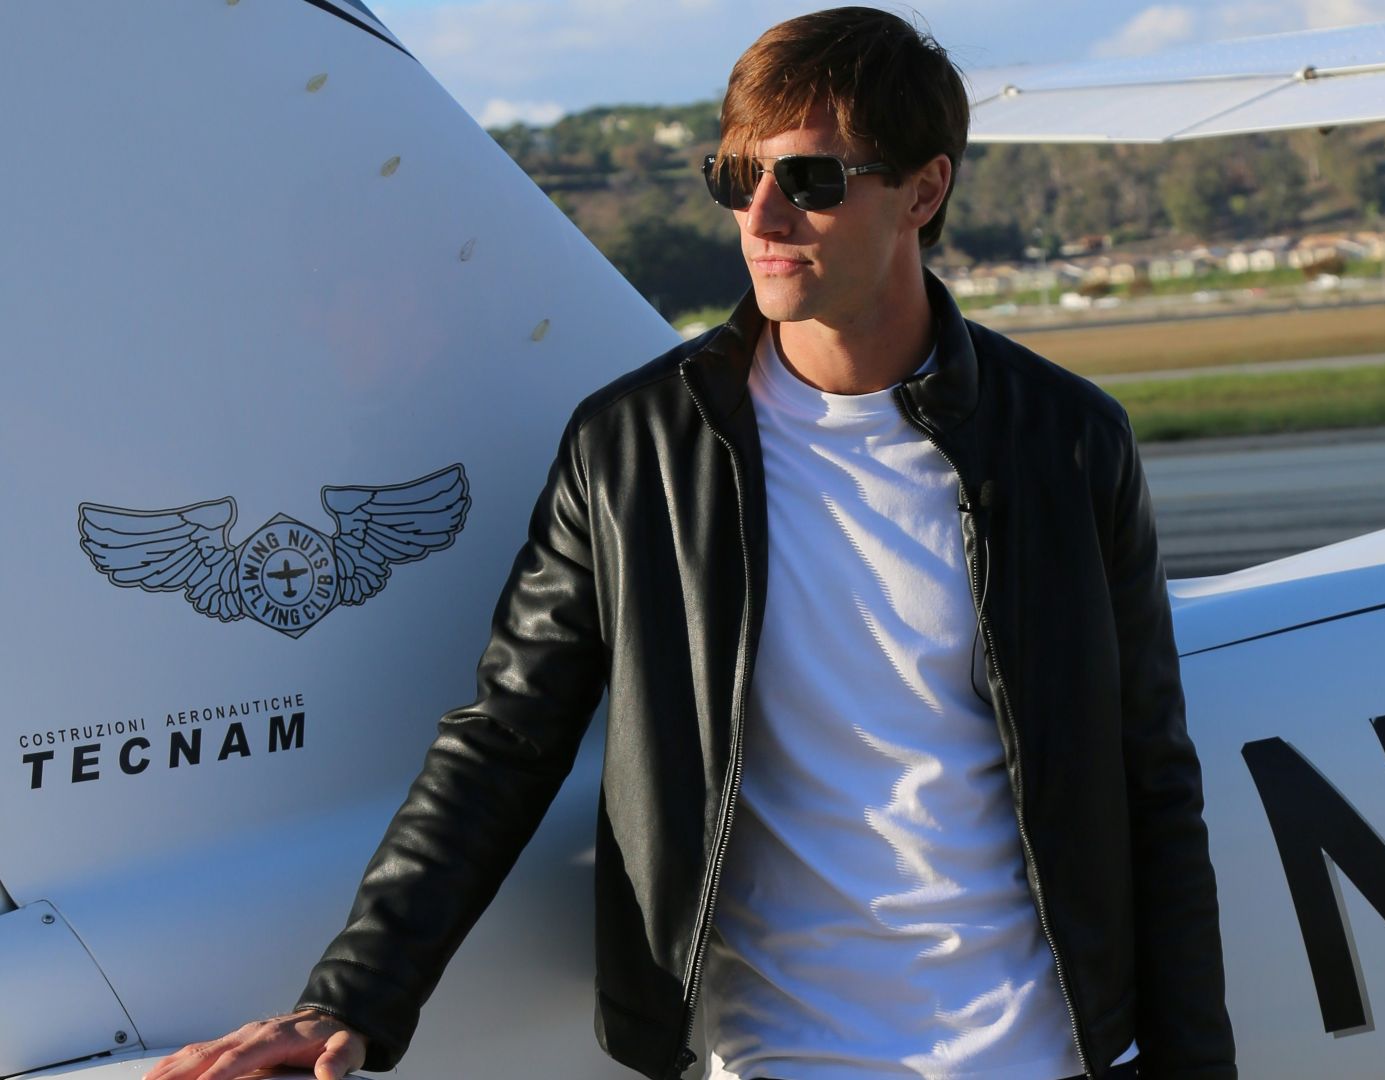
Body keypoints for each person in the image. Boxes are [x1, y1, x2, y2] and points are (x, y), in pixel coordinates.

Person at [143, 8, 1234, 1080]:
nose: (761, 217)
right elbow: (505, 742)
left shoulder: (1068, 442)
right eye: (734, 177)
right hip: (776, 1057)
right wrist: (351, 997)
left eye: (807, 180)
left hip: (1050, 1053)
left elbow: (1153, 782)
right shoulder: (633, 451)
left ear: (925, 189)